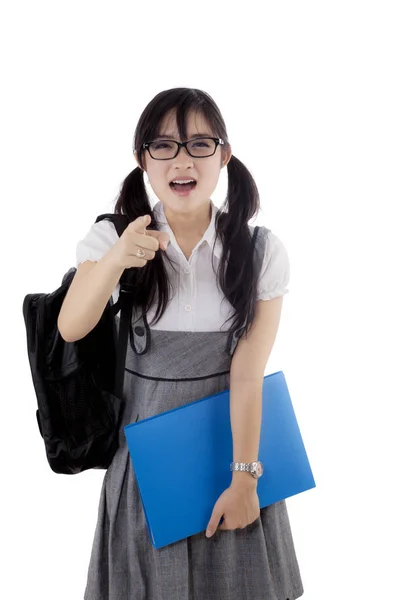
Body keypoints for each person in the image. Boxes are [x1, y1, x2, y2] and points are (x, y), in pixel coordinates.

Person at [58, 87, 304, 600]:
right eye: (164, 146)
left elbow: (246, 373)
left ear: (224, 155)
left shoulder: (260, 252)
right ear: (142, 159)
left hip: (233, 457)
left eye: (199, 144)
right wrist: (119, 258)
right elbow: (71, 326)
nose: (182, 160)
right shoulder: (113, 237)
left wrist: (244, 481)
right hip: (148, 468)